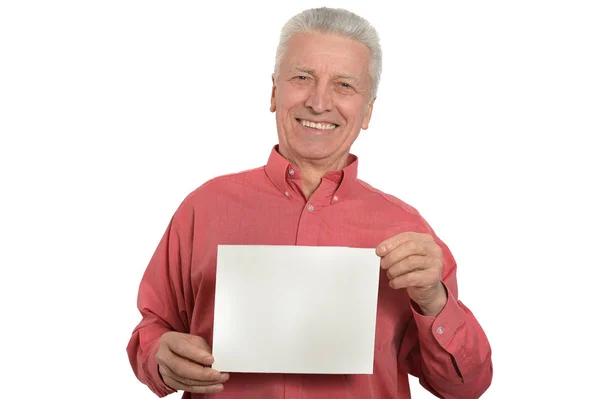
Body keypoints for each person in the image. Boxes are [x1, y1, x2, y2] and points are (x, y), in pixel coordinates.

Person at [127, 7, 493, 399]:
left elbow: (466, 386)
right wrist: (160, 358)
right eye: (302, 78)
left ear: (367, 110)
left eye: (344, 86)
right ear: (273, 92)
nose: (319, 103)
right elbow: (152, 330)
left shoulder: (408, 232)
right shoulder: (203, 209)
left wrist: (432, 299)